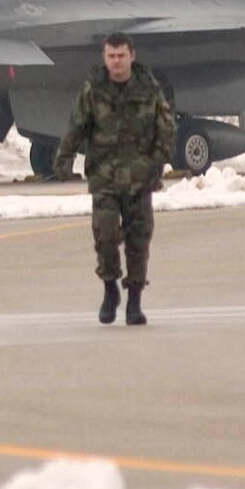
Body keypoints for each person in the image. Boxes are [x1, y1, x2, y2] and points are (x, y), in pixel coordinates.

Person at [52, 33, 176, 326]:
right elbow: (77, 125)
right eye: (111, 56)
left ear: (132, 56)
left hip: (139, 177)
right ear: (104, 58)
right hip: (105, 176)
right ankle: (110, 289)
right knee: (105, 237)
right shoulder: (93, 89)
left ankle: (134, 302)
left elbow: (166, 128)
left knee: (138, 242)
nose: (116, 62)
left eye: (121, 55)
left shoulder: (149, 88)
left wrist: (156, 163)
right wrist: (64, 158)